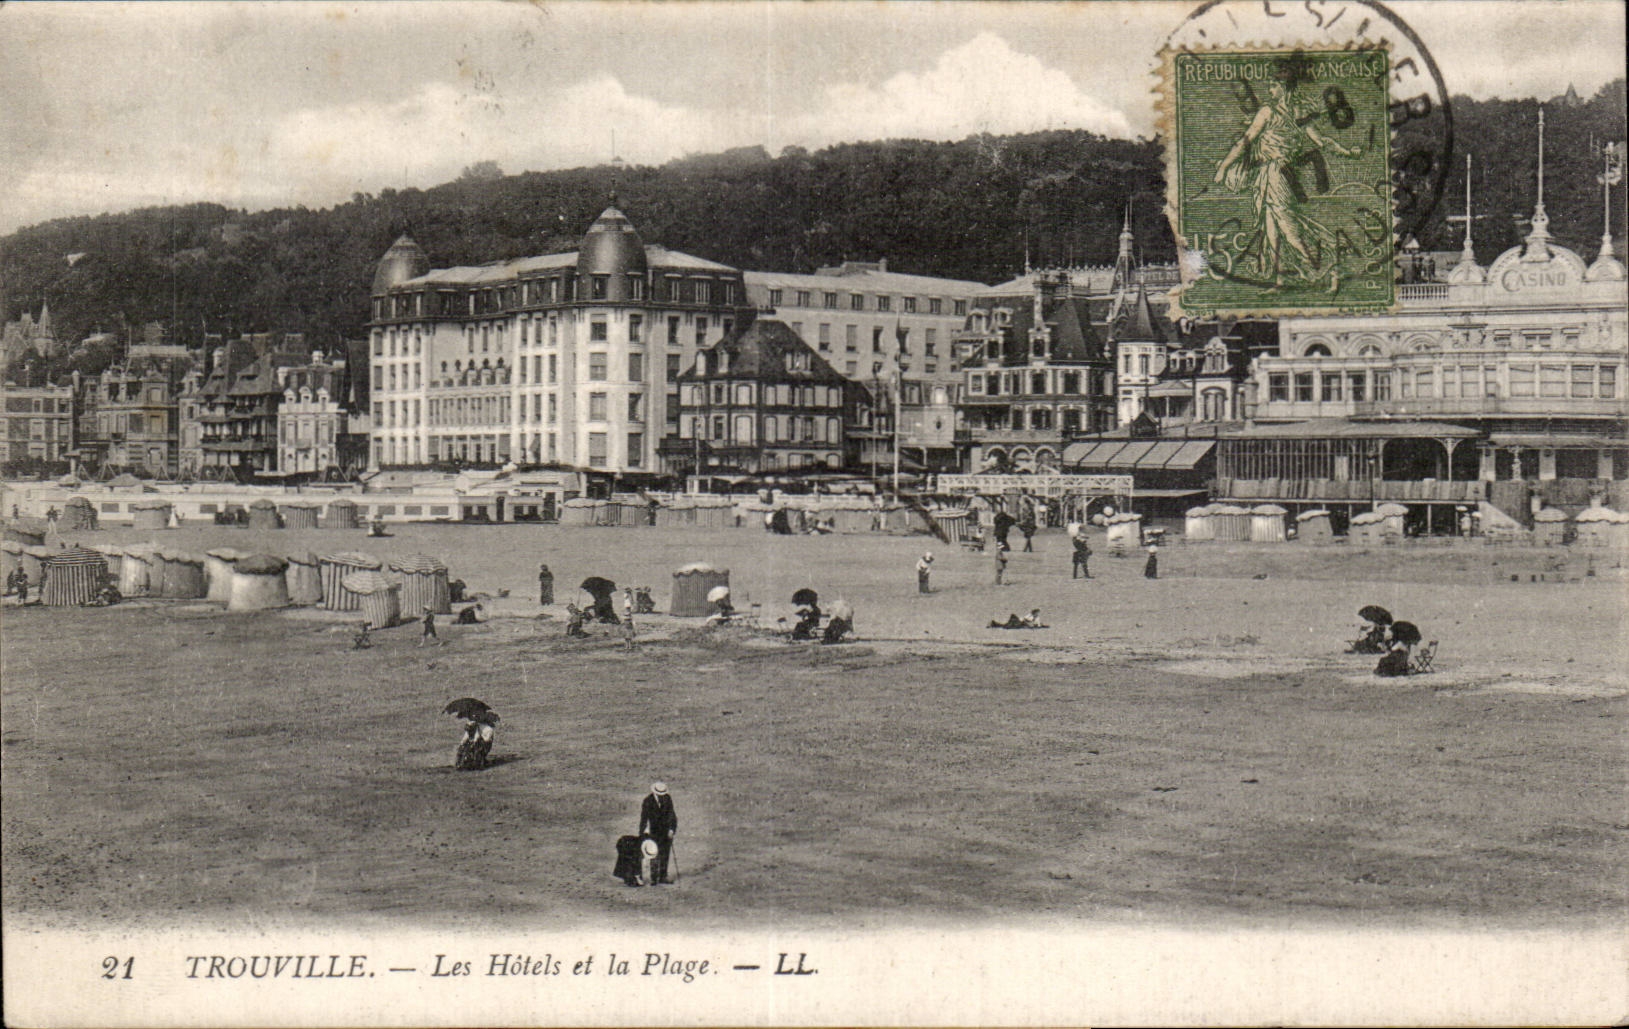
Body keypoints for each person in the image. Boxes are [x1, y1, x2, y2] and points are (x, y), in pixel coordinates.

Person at [1213, 77, 1363, 288]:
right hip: (1269, 173)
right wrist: (1348, 152)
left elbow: (1246, 141)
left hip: (1278, 173)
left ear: (1284, 88)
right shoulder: (1296, 112)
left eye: (1273, 85)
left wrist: (1223, 167)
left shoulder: (1271, 112)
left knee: (1288, 226)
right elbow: (1321, 141)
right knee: (1270, 228)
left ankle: (1329, 262)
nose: (1269, 89)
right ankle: (1279, 280)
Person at [638, 782, 678, 885]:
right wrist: (644, 832)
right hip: (653, 832)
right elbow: (644, 818)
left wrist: (671, 830)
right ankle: (653, 877)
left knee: (665, 853)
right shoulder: (648, 801)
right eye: (659, 795)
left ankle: (663, 876)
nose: (661, 797)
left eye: (663, 795)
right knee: (654, 853)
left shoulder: (667, 799)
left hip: (665, 832)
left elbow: (672, 816)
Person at [621, 587, 637, 651]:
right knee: (628, 639)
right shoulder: (626, 594)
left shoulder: (625, 621)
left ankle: (628, 646)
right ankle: (628, 646)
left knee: (627, 639)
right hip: (628, 630)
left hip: (627, 630)